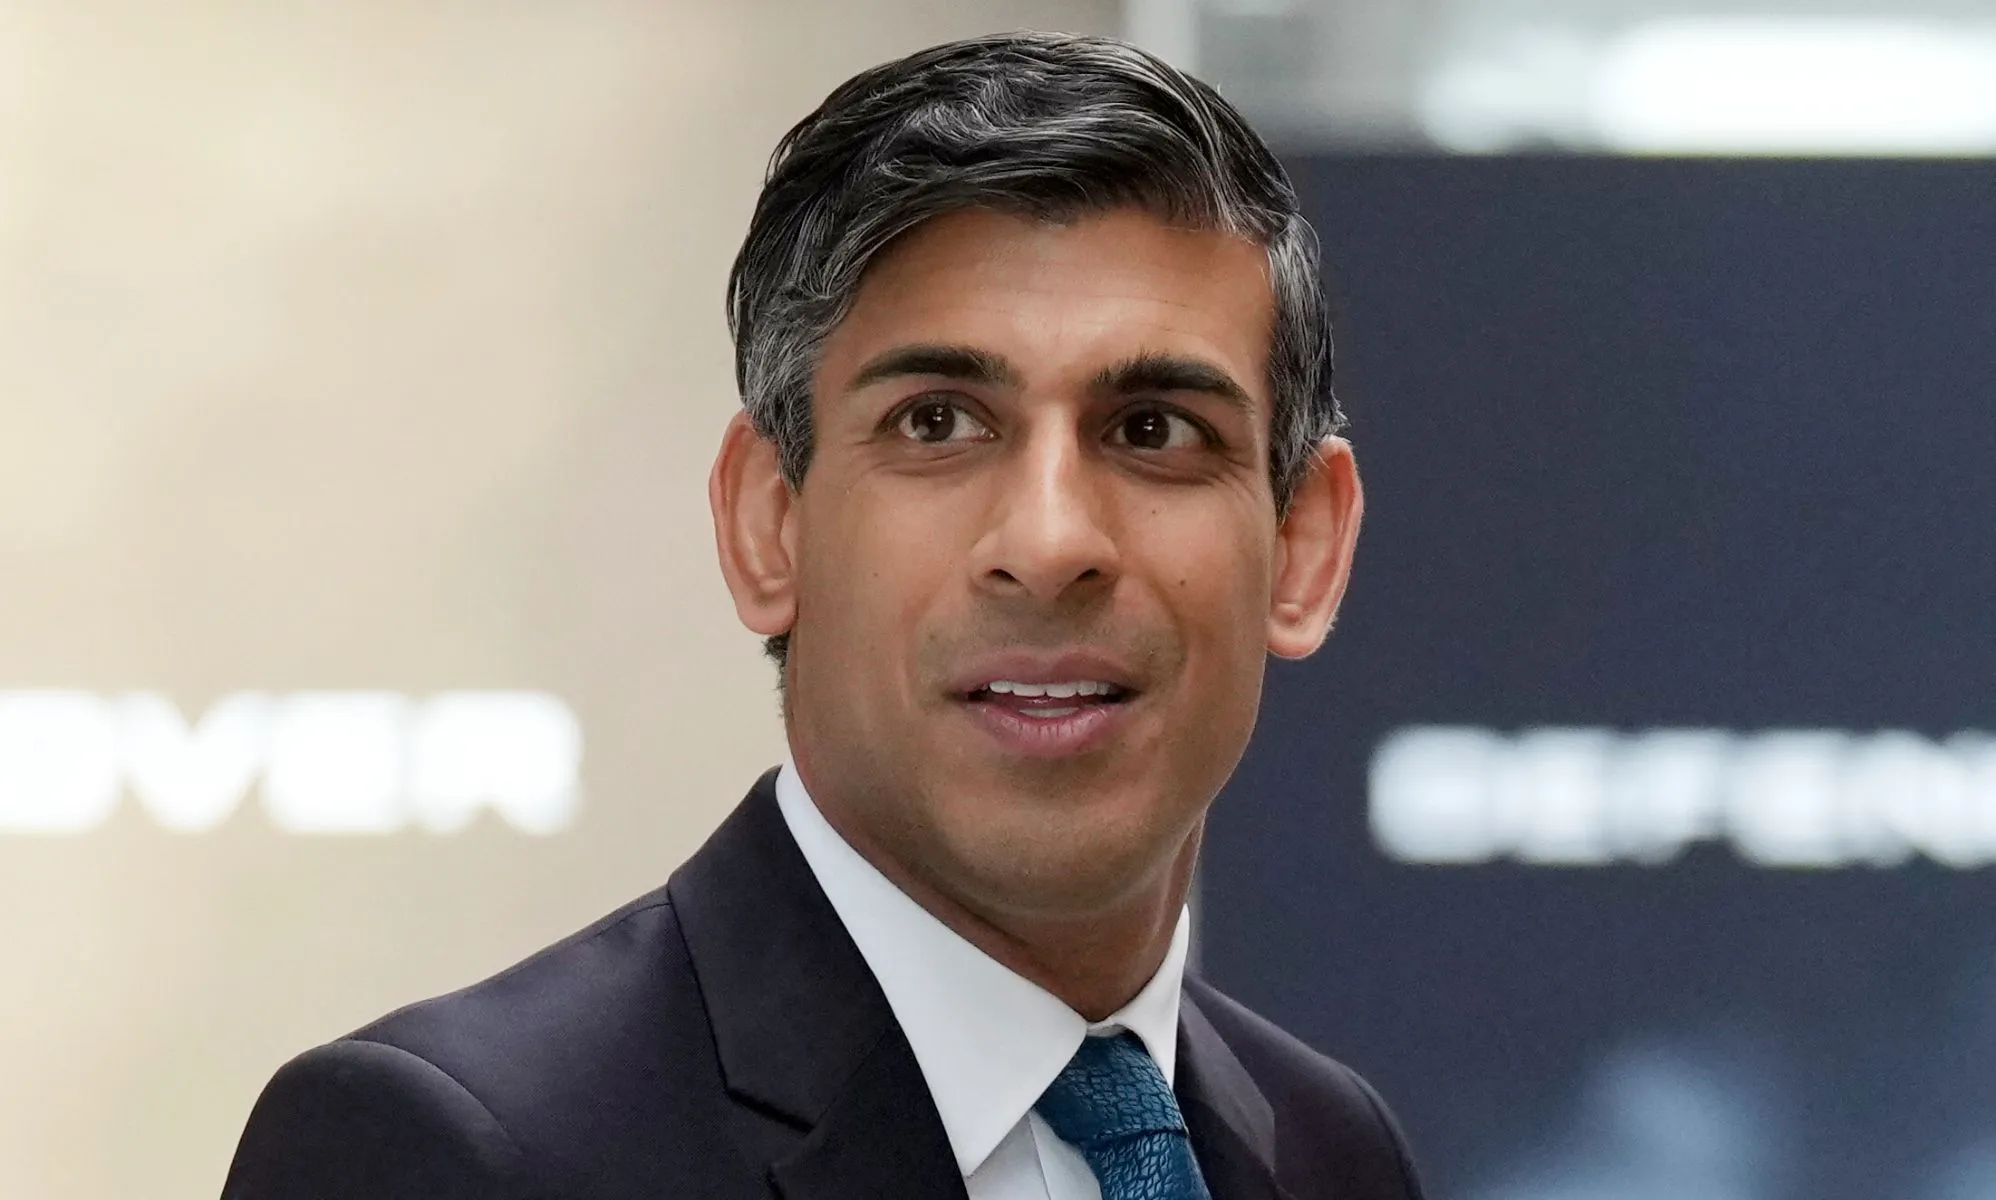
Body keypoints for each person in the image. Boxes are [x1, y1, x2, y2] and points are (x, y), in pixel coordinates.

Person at [223, 31, 1422, 1200]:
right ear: (768, 526)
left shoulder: (1328, 1150)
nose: (1051, 543)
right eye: (937, 423)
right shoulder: (445, 1153)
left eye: (1152, 429)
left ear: (1303, 547)